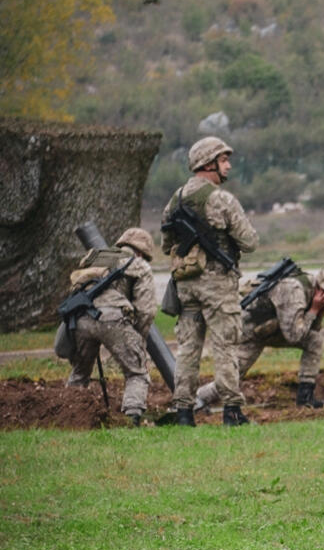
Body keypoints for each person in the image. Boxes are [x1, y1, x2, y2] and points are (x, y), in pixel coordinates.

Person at [161, 135, 259, 427]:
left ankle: (183, 412)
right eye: (224, 160)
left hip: (187, 285)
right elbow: (249, 241)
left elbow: (167, 244)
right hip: (218, 285)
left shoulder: (174, 200)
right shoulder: (222, 199)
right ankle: (232, 411)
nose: (228, 166)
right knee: (225, 346)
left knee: (188, 349)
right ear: (208, 164)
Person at [194, 262, 324, 412]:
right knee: (231, 379)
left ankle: (305, 398)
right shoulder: (294, 291)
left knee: (314, 340)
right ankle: (197, 399)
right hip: (250, 331)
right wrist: (313, 310)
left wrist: (319, 311)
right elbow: (294, 336)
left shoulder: (312, 291)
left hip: (273, 329)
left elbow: (313, 330)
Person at [62, 227, 157, 425]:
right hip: (112, 318)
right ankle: (132, 417)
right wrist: (138, 338)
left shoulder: (97, 257)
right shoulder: (139, 265)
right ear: (142, 252)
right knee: (137, 372)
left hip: (80, 318)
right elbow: (146, 310)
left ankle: (67, 414)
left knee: (80, 372)